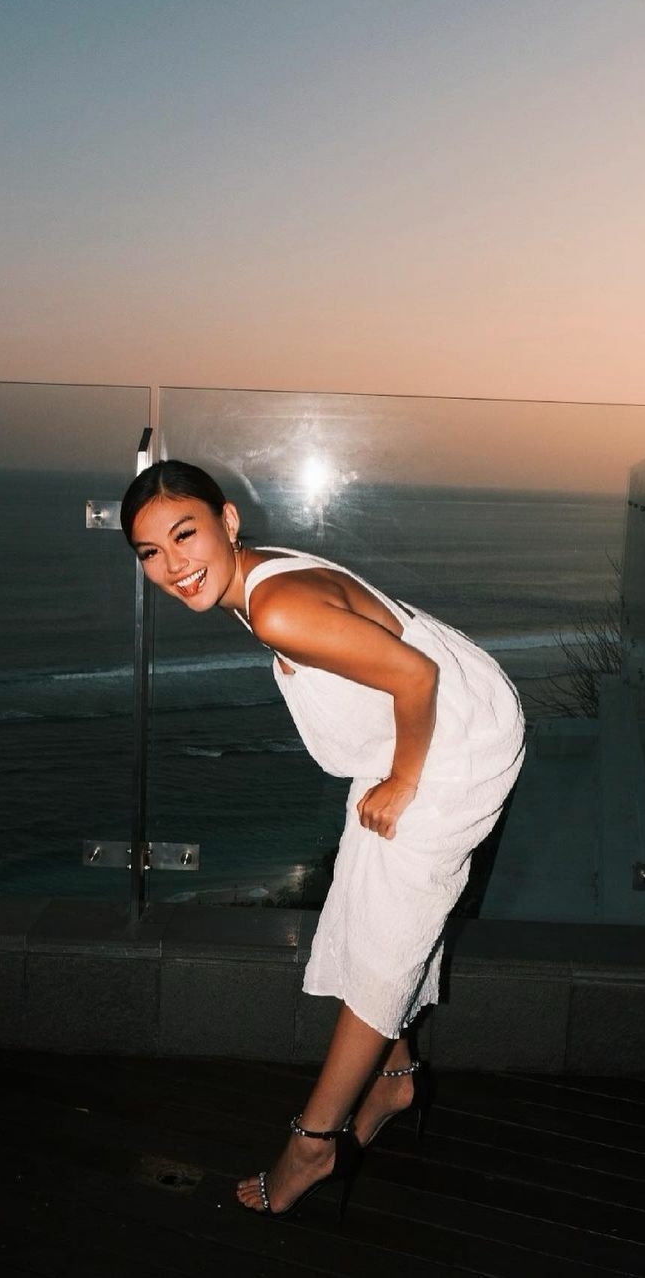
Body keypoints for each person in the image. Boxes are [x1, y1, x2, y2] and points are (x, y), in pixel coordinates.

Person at [120, 460, 526, 1218]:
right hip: (429, 717)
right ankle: (395, 1078)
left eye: (185, 534)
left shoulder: (278, 609)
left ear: (227, 521)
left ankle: (313, 1144)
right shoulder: (249, 577)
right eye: (151, 552)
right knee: (363, 903)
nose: (174, 566)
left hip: (453, 740)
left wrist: (404, 780)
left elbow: (415, 677)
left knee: (390, 938)